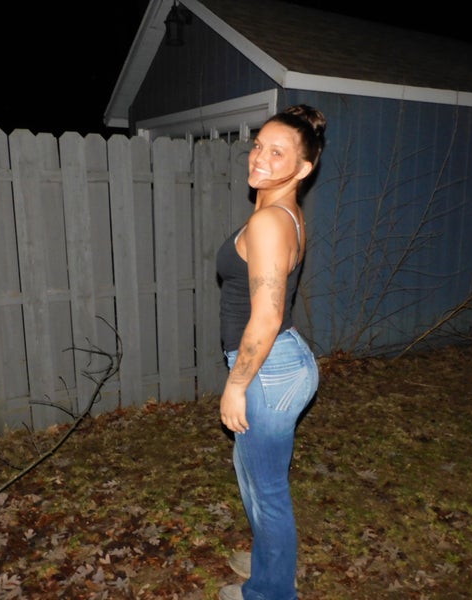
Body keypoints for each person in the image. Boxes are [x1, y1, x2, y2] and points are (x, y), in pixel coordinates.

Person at [216, 104, 326, 600]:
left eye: (277, 152)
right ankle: (270, 555)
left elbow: (266, 316)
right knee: (255, 479)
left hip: (267, 371)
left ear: (303, 168)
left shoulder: (268, 223)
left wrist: (236, 385)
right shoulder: (284, 214)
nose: (259, 157)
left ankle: (271, 591)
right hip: (282, 362)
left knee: (267, 491)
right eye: (259, 145)